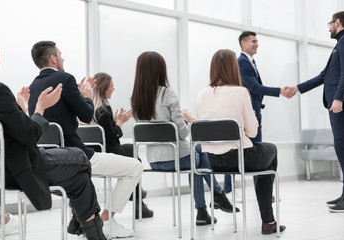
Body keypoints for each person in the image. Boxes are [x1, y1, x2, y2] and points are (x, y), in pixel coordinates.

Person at [0, 27, 106, 240]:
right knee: (79, 158)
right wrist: (40, 107)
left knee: (79, 179)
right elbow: (30, 135)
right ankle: (86, 224)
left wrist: (21, 110)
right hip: (14, 169)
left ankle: (89, 229)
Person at [28, 41, 143, 238]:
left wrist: (78, 96)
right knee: (134, 167)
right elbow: (86, 115)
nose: (63, 58)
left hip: (48, 160)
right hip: (75, 156)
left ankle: (80, 221)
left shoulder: (33, 86)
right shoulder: (65, 79)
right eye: (61, 54)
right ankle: (106, 220)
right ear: (53, 58)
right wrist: (87, 96)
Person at [130, 51, 239, 226]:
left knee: (197, 156)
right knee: (199, 157)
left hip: (154, 160)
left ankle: (210, 205)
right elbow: (182, 133)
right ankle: (213, 200)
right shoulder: (167, 93)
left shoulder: (136, 99)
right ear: (160, 70)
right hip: (175, 157)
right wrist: (187, 121)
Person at [195, 49, 286, 235]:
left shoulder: (201, 94)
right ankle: (268, 221)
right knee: (271, 150)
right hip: (240, 158)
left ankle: (268, 220)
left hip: (213, 161)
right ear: (233, 68)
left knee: (261, 152)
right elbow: (252, 133)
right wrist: (253, 118)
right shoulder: (241, 92)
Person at [286, 11, 344, 212]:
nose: (329, 27)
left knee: (343, 148)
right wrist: (297, 88)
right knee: (342, 149)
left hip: (340, 105)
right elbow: (323, 76)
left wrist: (339, 98)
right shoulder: (340, 44)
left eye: (330, 23)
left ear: (337, 22)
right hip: (336, 104)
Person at [223, 31, 293, 198]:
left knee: (251, 152)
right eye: (253, 41)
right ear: (243, 44)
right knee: (250, 152)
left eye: (257, 41)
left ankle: (258, 192)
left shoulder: (250, 62)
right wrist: (280, 91)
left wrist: (258, 105)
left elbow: (252, 90)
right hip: (248, 116)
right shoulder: (242, 62)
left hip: (253, 112)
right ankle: (234, 191)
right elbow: (254, 87)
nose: (257, 44)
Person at [91, 72, 154, 219]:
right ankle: (138, 198)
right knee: (134, 159)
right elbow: (111, 137)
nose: (113, 89)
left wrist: (115, 122)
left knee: (131, 149)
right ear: (104, 88)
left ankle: (137, 194)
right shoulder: (103, 110)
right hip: (107, 153)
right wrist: (120, 123)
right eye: (112, 86)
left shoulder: (88, 108)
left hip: (96, 151)